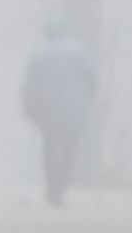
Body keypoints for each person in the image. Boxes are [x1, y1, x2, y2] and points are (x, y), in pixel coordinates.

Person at [21, 14, 98, 205]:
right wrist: (87, 98)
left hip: (48, 109)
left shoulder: (40, 54)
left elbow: (30, 85)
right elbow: (92, 79)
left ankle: (52, 188)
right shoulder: (81, 51)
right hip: (75, 107)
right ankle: (61, 184)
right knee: (70, 147)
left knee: (49, 146)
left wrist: (29, 108)